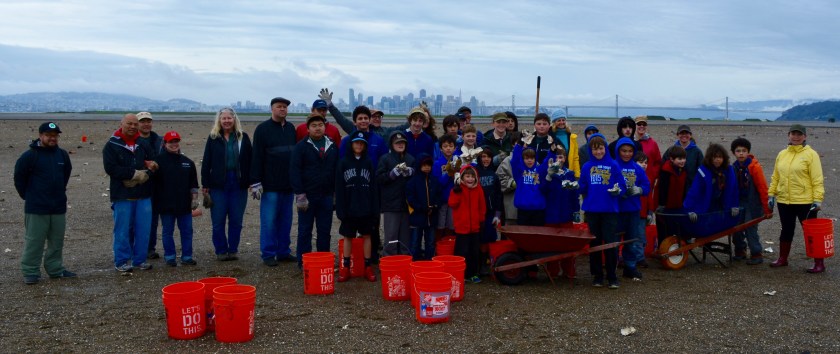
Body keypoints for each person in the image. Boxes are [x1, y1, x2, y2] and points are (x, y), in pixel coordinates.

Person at [14, 121, 75, 284]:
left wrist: (59, 193)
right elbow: (19, 178)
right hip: (36, 207)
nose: (52, 138)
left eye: (55, 136)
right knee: (34, 241)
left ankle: (55, 269)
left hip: (58, 207)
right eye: (48, 135)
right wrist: (29, 196)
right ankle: (30, 271)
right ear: (40, 136)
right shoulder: (30, 156)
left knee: (56, 241)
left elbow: (66, 175)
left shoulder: (62, 155)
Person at [767, 124, 825, 273]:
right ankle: (783, 259)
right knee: (786, 230)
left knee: (811, 232)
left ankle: (819, 262)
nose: (796, 137)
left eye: (799, 134)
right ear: (789, 135)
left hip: (805, 202)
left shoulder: (811, 154)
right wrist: (771, 194)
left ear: (805, 137)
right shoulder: (782, 154)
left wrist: (817, 200)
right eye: (793, 134)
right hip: (784, 200)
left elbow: (817, 179)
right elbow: (776, 176)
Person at [103, 113, 157, 272]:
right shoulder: (112, 145)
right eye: (129, 124)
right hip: (122, 196)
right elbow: (110, 168)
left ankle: (139, 260)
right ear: (122, 124)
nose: (133, 127)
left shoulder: (142, 144)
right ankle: (121, 261)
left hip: (143, 194)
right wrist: (132, 174)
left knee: (143, 229)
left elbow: (152, 163)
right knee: (123, 229)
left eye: (135, 124)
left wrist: (149, 170)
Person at [337, 106, 388, 262]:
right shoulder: (347, 141)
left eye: (366, 118)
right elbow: (341, 165)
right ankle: (352, 259)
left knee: (373, 221)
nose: (364, 121)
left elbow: (384, 161)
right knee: (350, 227)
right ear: (355, 121)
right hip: (351, 188)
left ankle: (372, 255)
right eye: (360, 118)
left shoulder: (378, 140)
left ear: (370, 120)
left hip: (372, 186)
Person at [251, 97, 298, 266]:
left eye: (285, 107)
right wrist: (255, 182)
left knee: (286, 221)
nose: (282, 109)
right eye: (279, 107)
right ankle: (268, 254)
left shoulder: (291, 128)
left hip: (288, 186)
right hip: (270, 186)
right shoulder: (262, 129)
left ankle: (283, 252)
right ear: (272, 109)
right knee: (269, 221)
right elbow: (256, 156)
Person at [201, 107, 252, 261]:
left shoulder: (243, 137)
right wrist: (205, 184)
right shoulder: (213, 138)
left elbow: (250, 161)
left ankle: (233, 249)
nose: (227, 121)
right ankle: (221, 250)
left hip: (238, 184)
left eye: (230, 118)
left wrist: (251, 181)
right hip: (218, 185)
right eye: (224, 118)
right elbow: (206, 162)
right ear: (219, 120)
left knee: (236, 221)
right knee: (218, 221)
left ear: (234, 119)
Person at [290, 113, 339, 268]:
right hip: (308, 196)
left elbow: (336, 170)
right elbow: (295, 171)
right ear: (308, 128)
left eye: (320, 125)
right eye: (314, 126)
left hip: (326, 196)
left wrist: (335, 193)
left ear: (325, 127)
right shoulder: (301, 147)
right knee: (305, 230)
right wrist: (300, 194)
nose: (317, 128)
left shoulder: (331, 145)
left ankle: (323, 260)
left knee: (324, 231)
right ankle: (304, 262)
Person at [579, 133, 624, 289]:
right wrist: (573, 186)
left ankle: (612, 275)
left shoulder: (613, 165)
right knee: (595, 243)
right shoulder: (586, 166)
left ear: (605, 148)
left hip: (610, 210)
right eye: (595, 149)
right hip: (592, 210)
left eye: (601, 149)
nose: (598, 152)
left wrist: (617, 190)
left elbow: (621, 185)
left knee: (610, 243)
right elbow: (583, 186)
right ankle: (597, 275)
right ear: (591, 150)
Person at [335, 132, 379, 282]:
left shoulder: (368, 162)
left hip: (366, 207)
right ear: (351, 144)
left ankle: (368, 266)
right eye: (356, 143)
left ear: (365, 146)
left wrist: (375, 209)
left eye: (361, 143)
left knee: (367, 235)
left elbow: (373, 187)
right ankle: (346, 267)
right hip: (349, 207)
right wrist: (340, 209)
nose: (359, 145)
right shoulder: (343, 163)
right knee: (348, 236)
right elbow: (339, 188)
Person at [152, 131, 199, 267]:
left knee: (187, 231)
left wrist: (194, 198)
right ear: (165, 143)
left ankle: (187, 256)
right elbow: (152, 183)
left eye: (176, 141)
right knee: (167, 231)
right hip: (165, 205)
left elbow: (193, 184)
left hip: (184, 205)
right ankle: (170, 257)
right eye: (170, 142)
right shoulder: (157, 162)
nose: (174, 144)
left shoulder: (187, 163)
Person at [538, 145, 580, 279]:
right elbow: (542, 190)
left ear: (565, 158)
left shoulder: (570, 174)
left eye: (561, 157)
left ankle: (569, 271)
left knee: (568, 244)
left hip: (566, 215)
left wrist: (576, 211)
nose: (558, 159)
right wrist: (549, 177)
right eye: (556, 157)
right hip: (550, 215)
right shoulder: (547, 174)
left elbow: (574, 194)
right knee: (551, 245)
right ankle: (553, 272)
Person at [614, 138, 650, 280]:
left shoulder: (637, 168)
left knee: (632, 240)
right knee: (615, 241)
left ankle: (630, 266)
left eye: (630, 151)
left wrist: (640, 190)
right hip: (617, 210)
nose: (627, 154)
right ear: (618, 151)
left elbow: (647, 185)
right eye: (624, 151)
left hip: (633, 210)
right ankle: (613, 266)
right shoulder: (614, 165)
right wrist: (618, 192)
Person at [730, 138, 771, 265]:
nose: (741, 153)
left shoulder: (754, 167)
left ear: (748, 152)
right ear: (734, 153)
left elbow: (763, 188)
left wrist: (767, 209)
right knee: (735, 227)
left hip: (752, 203)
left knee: (750, 227)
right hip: (739, 201)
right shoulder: (733, 167)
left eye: (744, 151)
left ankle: (756, 253)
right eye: (738, 151)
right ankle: (740, 251)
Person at [376, 131, 415, 255]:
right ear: (391, 144)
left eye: (403, 142)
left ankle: (404, 261)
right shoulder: (385, 159)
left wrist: (412, 172)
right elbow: (379, 178)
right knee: (391, 236)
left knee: (405, 237)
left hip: (406, 204)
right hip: (391, 204)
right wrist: (390, 175)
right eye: (397, 143)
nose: (400, 144)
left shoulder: (411, 159)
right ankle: (389, 261)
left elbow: (417, 181)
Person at [449, 165, 486, 283]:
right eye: (467, 176)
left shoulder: (478, 188)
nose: (470, 179)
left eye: (472, 177)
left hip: (475, 227)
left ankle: (473, 273)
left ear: (476, 178)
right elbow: (452, 204)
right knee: (461, 252)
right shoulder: (458, 188)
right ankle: (460, 274)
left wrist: (481, 219)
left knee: (474, 252)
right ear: (462, 177)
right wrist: (456, 192)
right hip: (461, 227)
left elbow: (482, 206)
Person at [136, 111, 165, 259]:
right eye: (143, 121)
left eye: (149, 121)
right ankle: (134, 249)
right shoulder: (131, 141)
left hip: (156, 185)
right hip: (137, 185)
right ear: (137, 124)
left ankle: (150, 248)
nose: (146, 124)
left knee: (153, 219)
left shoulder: (159, 140)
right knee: (135, 220)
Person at [683, 143, 739, 220]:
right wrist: (690, 209)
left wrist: (733, 205)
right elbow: (695, 190)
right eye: (715, 157)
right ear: (709, 158)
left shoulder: (728, 170)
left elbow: (732, 188)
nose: (717, 159)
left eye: (720, 157)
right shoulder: (703, 171)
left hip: (721, 204)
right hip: (706, 203)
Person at [406, 154, 441, 260]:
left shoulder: (434, 180)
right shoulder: (412, 181)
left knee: (430, 242)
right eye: (424, 165)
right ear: (419, 165)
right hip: (417, 217)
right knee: (415, 242)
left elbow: (439, 195)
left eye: (429, 165)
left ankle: (429, 262)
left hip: (431, 217)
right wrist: (421, 208)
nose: (427, 167)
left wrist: (435, 206)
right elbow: (410, 198)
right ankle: (414, 263)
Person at [476, 149, 503, 274]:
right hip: (477, 213)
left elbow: (498, 195)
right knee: (479, 239)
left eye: (488, 157)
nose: (486, 159)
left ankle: (489, 262)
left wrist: (498, 214)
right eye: (483, 157)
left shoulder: (494, 175)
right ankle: (480, 263)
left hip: (491, 213)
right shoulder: (475, 173)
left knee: (490, 238)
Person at [656, 145, 689, 244]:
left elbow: (684, 189)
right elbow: (662, 189)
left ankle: (675, 247)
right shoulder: (665, 171)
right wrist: (661, 205)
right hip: (665, 206)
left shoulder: (683, 171)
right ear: (671, 159)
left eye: (684, 158)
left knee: (676, 229)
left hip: (677, 205)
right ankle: (663, 249)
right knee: (664, 230)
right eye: (679, 159)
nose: (682, 161)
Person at [511, 138, 546, 226]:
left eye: (532, 158)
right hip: (523, 209)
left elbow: (546, 163)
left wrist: (553, 152)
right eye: (526, 158)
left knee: (537, 235)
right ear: (523, 159)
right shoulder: (519, 171)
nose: (529, 160)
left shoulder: (540, 170)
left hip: (538, 209)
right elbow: (514, 161)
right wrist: (519, 145)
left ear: (535, 158)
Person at [432, 134, 460, 241]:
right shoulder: (437, 164)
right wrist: (448, 173)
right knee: (440, 225)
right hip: (442, 199)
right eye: (445, 146)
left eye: (451, 146)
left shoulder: (458, 162)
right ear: (440, 148)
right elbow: (438, 183)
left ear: (455, 148)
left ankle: (450, 247)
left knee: (451, 225)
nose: (448, 148)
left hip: (454, 199)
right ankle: (438, 247)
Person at [633, 116, 662, 197]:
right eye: (639, 124)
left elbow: (658, 162)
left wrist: (653, 175)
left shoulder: (653, 143)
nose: (641, 126)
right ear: (635, 126)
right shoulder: (630, 143)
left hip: (648, 179)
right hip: (633, 180)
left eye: (644, 124)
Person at [549, 110, 581, 178]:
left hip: (568, 172)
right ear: (554, 122)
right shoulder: (550, 137)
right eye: (559, 120)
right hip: (553, 173)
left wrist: (577, 174)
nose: (561, 122)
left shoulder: (572, 137)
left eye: (563, 120)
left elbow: (575, 158)